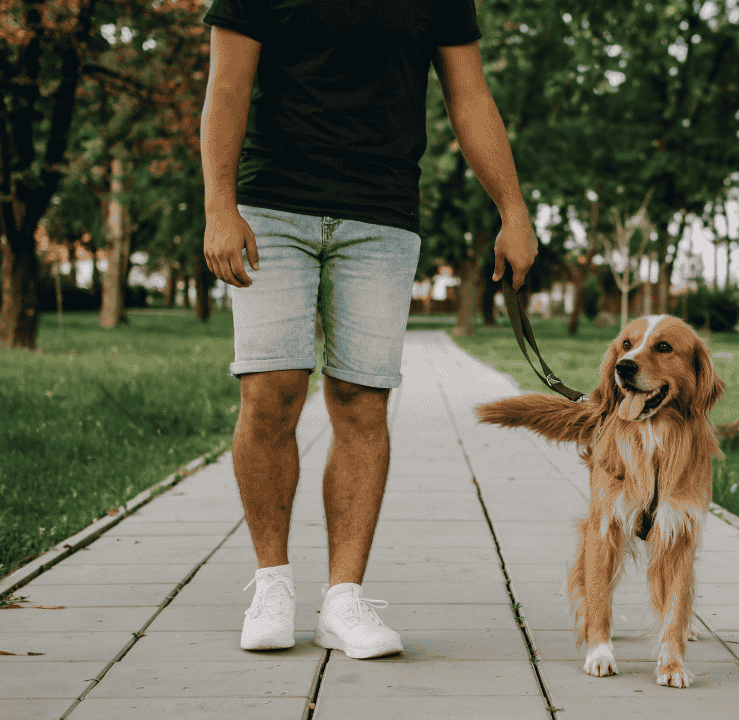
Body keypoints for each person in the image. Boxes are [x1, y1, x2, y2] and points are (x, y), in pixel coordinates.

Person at [200, 0, 536, 659]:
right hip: (273, 204)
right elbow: (228, 84)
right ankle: (272, 584)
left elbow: (469, 96)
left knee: (363, 400)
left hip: (381, 214)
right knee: (271, 390)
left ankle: (343, 599)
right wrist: (219, 205)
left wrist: (513, 209)